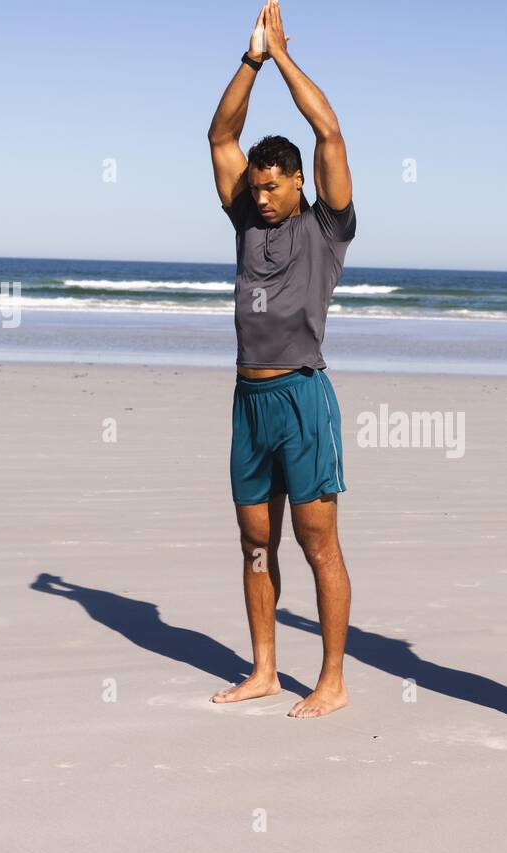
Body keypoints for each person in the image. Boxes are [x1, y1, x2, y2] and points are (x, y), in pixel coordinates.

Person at [205, 0, 355, 718]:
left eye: (273, 186)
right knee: (255, 540)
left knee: (316, 540)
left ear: (297, 184)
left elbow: (328, 130)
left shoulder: (326, 227)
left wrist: (285, 56)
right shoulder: (245, 221)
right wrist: (250, 59)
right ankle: (265, 669)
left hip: (301, 396)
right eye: (255, 186)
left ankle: (332, 678)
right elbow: (219, 133)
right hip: (249, 401)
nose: (260, 197)